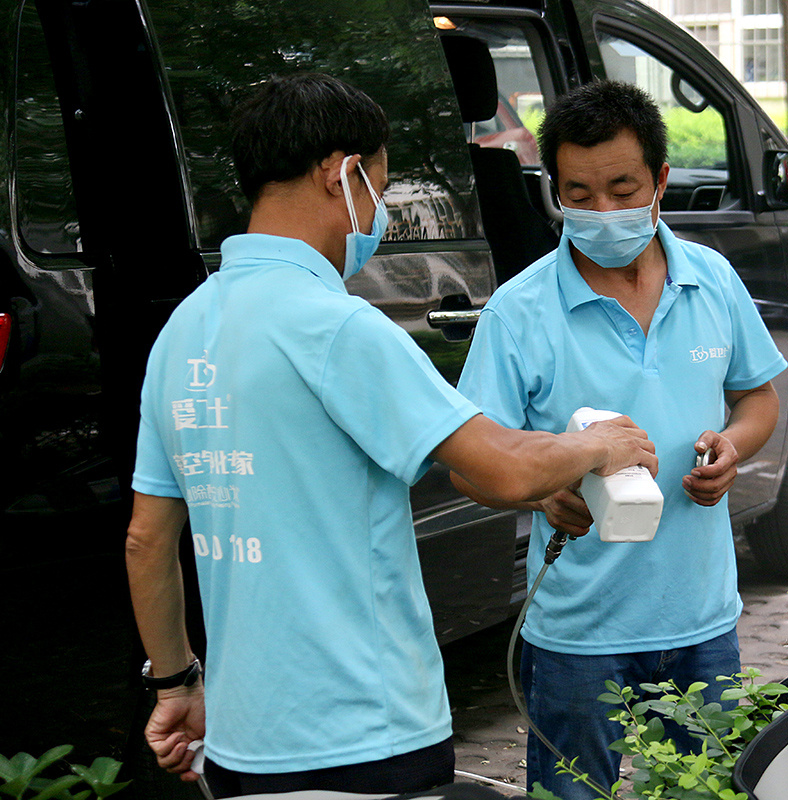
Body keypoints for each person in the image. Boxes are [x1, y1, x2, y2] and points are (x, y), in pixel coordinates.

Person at [124, 73, 657, 799]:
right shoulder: (336, 326)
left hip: (241, 746)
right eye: (378, 186)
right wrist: (602, 446)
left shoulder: (183, 330)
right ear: (339, 174)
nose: (379, 212)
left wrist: (176, 681)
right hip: (365, 736)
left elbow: (147, 541)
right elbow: (500, 469)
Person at [452, 80, 788, 800]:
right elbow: (467, 465)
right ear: (555, 190)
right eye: (578, 193)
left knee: (699, 791)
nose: (601, 211)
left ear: (661, 181)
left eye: (622, 188)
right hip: (578, 632)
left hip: (701, 619)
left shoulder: (712, 280)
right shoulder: (520, 312)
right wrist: (546, 493)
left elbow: (758, 398)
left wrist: (733, 445)